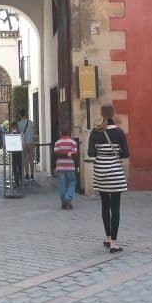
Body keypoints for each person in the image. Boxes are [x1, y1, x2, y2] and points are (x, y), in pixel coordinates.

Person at [88, 104, 129, 253]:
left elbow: (91, 153)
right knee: (115, 207)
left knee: (105, 205)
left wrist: (101, 153)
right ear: (113, 114)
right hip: (115, 174)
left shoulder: (95, 131)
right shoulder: (119, 132)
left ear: (101, 114)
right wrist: (115, 154)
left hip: (100, 172)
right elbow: (126, 154)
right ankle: (113, 243)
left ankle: (107, 237)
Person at [54, 129, 78, 210]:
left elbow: (56, 154)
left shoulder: (57, 143)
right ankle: (68, 198)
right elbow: (75, 154)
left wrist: (63, 154)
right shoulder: (73, 142)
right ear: (69, 133)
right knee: (72, 182)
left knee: (62, 184)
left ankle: (63, 203)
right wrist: (68, 154)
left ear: (61, 133)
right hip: (70, 166)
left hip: (60, 166)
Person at [18, 109, 35, 180]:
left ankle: (27, 174)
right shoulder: (31, 122)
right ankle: (32, 174)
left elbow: (19, 133)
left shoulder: (19, 124)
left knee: (25, 159)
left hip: (23, 143)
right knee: (31, 159)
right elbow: (33, 131)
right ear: (26, 114)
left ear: (20, 115)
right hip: (30, 142)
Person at [9, 121, 23, 188]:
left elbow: (22, 142)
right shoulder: (20, 133)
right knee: (17, 167)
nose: (14, 128)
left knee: (18, 167)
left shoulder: (20, 133)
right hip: (16, 152)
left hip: (17, 152)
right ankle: (19, 181)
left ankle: (19, 182)